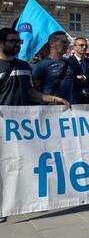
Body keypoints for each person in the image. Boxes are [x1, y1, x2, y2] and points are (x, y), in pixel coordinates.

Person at [0, 28, 69, 223]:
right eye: (12, 41)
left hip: (22, 126)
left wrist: (53, 98)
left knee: (20, 163)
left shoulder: (24, 66)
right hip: (2, 125)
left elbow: (31, 92)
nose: (17, 44)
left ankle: (20, 201)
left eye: (18, 41)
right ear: (1, 43)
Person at [32, 31, 77, 104]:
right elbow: (34, 90)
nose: (67, 45)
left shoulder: (70, 63)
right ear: (52, 44)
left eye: (67, 43)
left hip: (68, 110)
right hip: (49, 111)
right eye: (63, 42)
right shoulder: (41, 65)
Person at [67, 36, 89, 104]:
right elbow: (70, 78)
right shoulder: (68, 62)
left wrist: (84, 77)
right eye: (81, 45)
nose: (84, 47)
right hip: (75, 99)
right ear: (74, 47)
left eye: (85, 45)